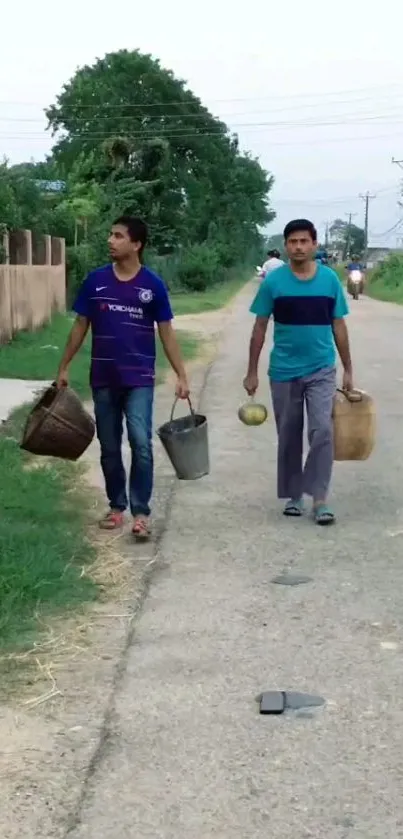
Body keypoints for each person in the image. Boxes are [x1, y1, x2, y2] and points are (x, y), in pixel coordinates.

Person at [56, 216, 189, 541]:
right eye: (111, 235)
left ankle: (141, 513)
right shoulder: (96, 281)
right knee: (109, 446)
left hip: (139, 378)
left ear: (136, 244)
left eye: (118, 236)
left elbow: (167, 334)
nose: (110, 240)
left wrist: (181, 374)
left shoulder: (152, 285)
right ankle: (117, 507)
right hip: (103, 377)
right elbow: (79, 326)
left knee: (141, 443)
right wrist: (63, 367)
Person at [243, 218, 353, 526]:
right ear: (287, 246)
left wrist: (348, 368)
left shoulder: (330, 280)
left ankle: (319, 498)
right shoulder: (274, 283)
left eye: (305, 241)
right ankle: (294, 494)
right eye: (293, 241)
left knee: (323, 431)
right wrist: (251, 371)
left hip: (321, 369)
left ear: (315, 245)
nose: (299, 247)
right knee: (289, 435)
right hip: (283, 371)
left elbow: (339, 326)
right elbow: (259, 327)